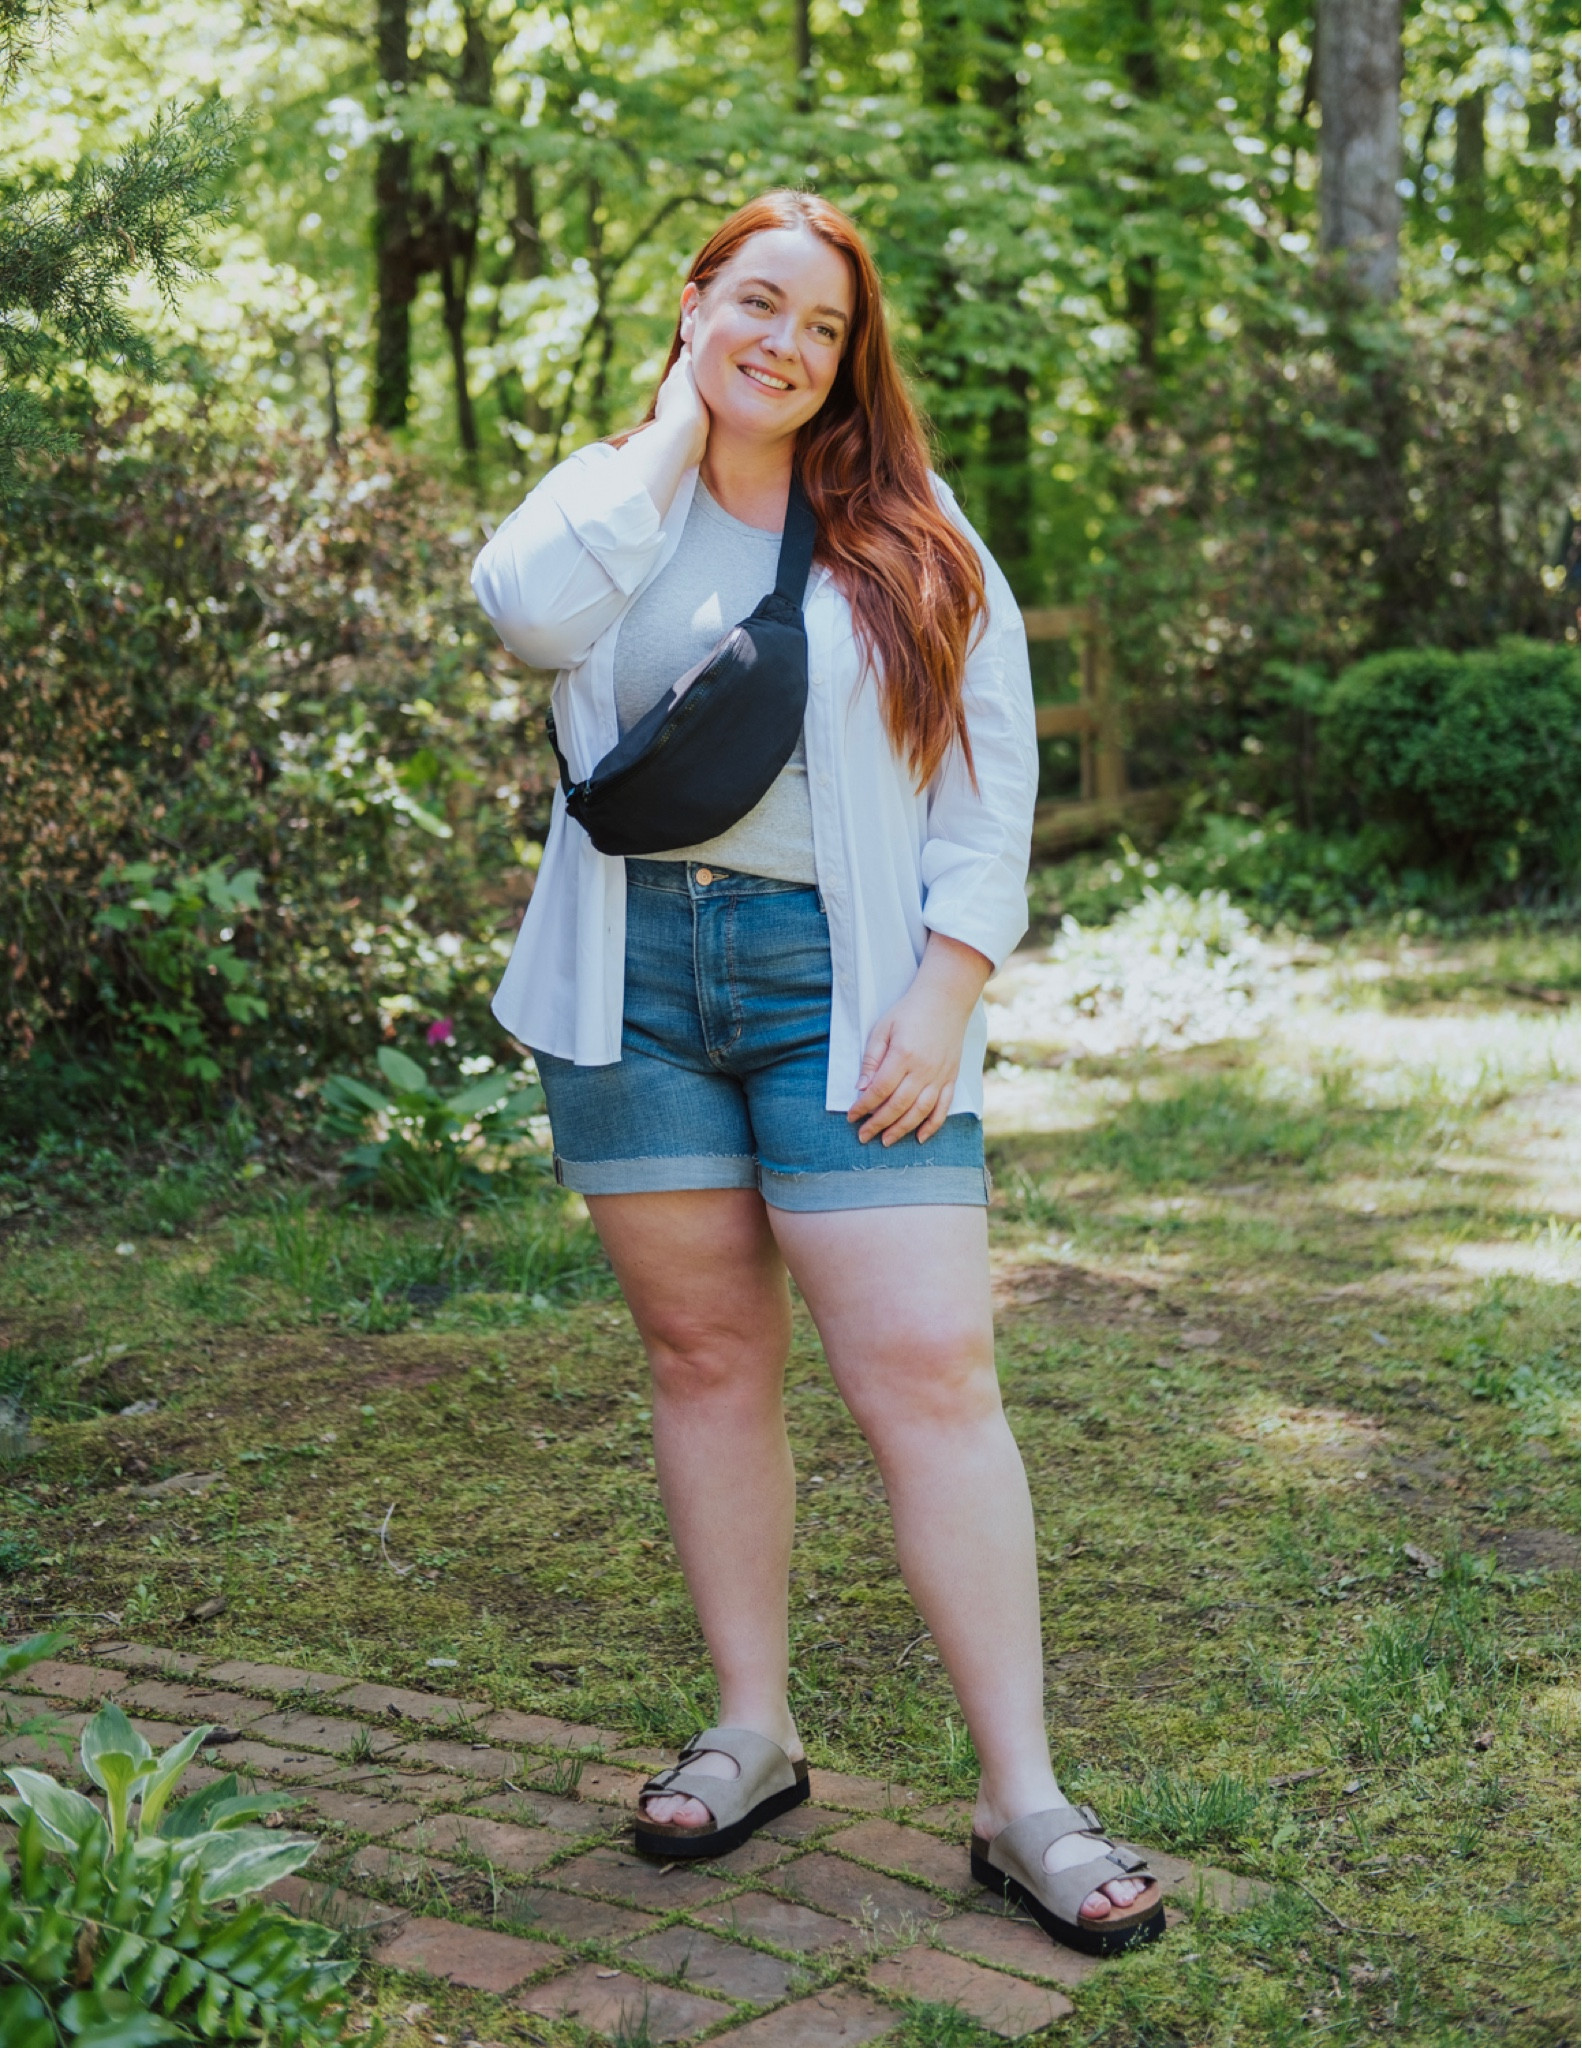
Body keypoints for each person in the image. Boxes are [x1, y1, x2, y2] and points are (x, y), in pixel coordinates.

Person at [471, 189, 1164, 1956]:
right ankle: (752, 1730)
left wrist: (944, 993)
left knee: (929, 1370)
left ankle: (1021, 1801)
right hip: (628, 981)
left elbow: (987, 790)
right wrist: (670, 432)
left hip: (842, 990)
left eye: (823, 325)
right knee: (704, 1359)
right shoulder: (603, 501)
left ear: (855, 358)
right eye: (756, 304)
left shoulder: (910, 530)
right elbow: (523, 617)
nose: (786, 344)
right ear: (693, 302)